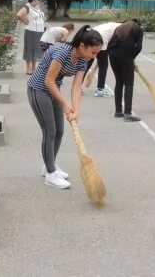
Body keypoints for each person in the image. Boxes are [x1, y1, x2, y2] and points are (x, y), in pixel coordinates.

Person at [27, 25, 103, 189]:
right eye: (94, 52)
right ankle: (50, 174)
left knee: (59, 131)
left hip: (54, 91)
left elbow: (76, 86)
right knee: (50, 131)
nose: (94, 56)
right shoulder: (62, 52)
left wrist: (76, 110)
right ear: (82, 46)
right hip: (38, 89)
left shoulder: (83, 59)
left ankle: (48, 165)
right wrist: (64, 103)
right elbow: (49, 80)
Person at [108, 19, 143, 122]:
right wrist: (132, 59)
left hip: (112, 54)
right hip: (126, 55)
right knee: (128, 83)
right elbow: (139, 47)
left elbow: (111, 43)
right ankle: (127, 113)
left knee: (119, 81)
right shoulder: (138, 29)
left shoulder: (119, 28)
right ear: (138, 23)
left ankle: (118, 111)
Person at [84, 22, 121, 97]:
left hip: (92, 34)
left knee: (89, 62)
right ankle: (100, 90)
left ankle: (78, 86)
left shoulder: (115, 24)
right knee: (103, 65)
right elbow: (116, 45)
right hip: (101, 37)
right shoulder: (125, 30)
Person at [17, 0, 46, 74]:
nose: (37, 2)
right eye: (35, 0)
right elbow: (19, 14)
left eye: (37, 0)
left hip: (39, 32)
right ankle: (28, 69)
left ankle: (34, 68)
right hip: (31, 32)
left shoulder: (38, 8)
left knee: (36, 50)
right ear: (31, 0)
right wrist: (25, 21)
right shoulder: (27, 7)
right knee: (29, 50)